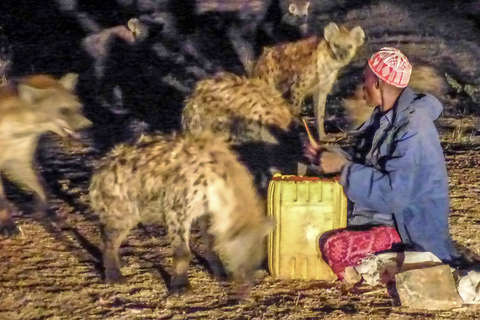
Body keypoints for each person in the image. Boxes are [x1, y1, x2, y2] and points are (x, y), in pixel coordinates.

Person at [304, 47, 461, 280]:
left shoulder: (414, 128)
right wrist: (329, 156)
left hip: (410, 231)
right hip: (387, 219)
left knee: (334, 246)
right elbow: (370, 165)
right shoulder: (387, 117)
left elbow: (394, 195)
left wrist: (343, 168)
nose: (361, 86)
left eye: (364, 80)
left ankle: (406, 263)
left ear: (377, 84)